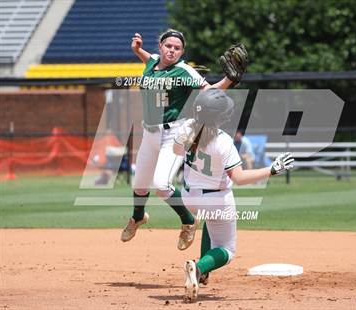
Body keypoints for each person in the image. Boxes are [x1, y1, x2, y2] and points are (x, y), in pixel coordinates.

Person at [173, 89, 294, 303]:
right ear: (219, 117)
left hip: (188, 196)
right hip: (216, 199)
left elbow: (175, 151)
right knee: (227, 250)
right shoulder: (223, 141)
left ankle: (203, 271)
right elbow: (238, 178)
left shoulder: (187, 127)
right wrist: (271, 170)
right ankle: (198, 267)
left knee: (210, 222)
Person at [121, 29, 235, 250]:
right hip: (150, 132)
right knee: (139, 185)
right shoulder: (152, 61)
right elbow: (149, 61)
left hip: (174, 134)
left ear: (182, 51)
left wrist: (229, 79)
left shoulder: (184, 71)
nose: (172, 50)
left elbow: (209, 91)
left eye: (177, 48)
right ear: (160, 46)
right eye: (168, 46)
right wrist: (137, 50)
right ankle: (138, 218)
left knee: (162, 185)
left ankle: (188, 221)